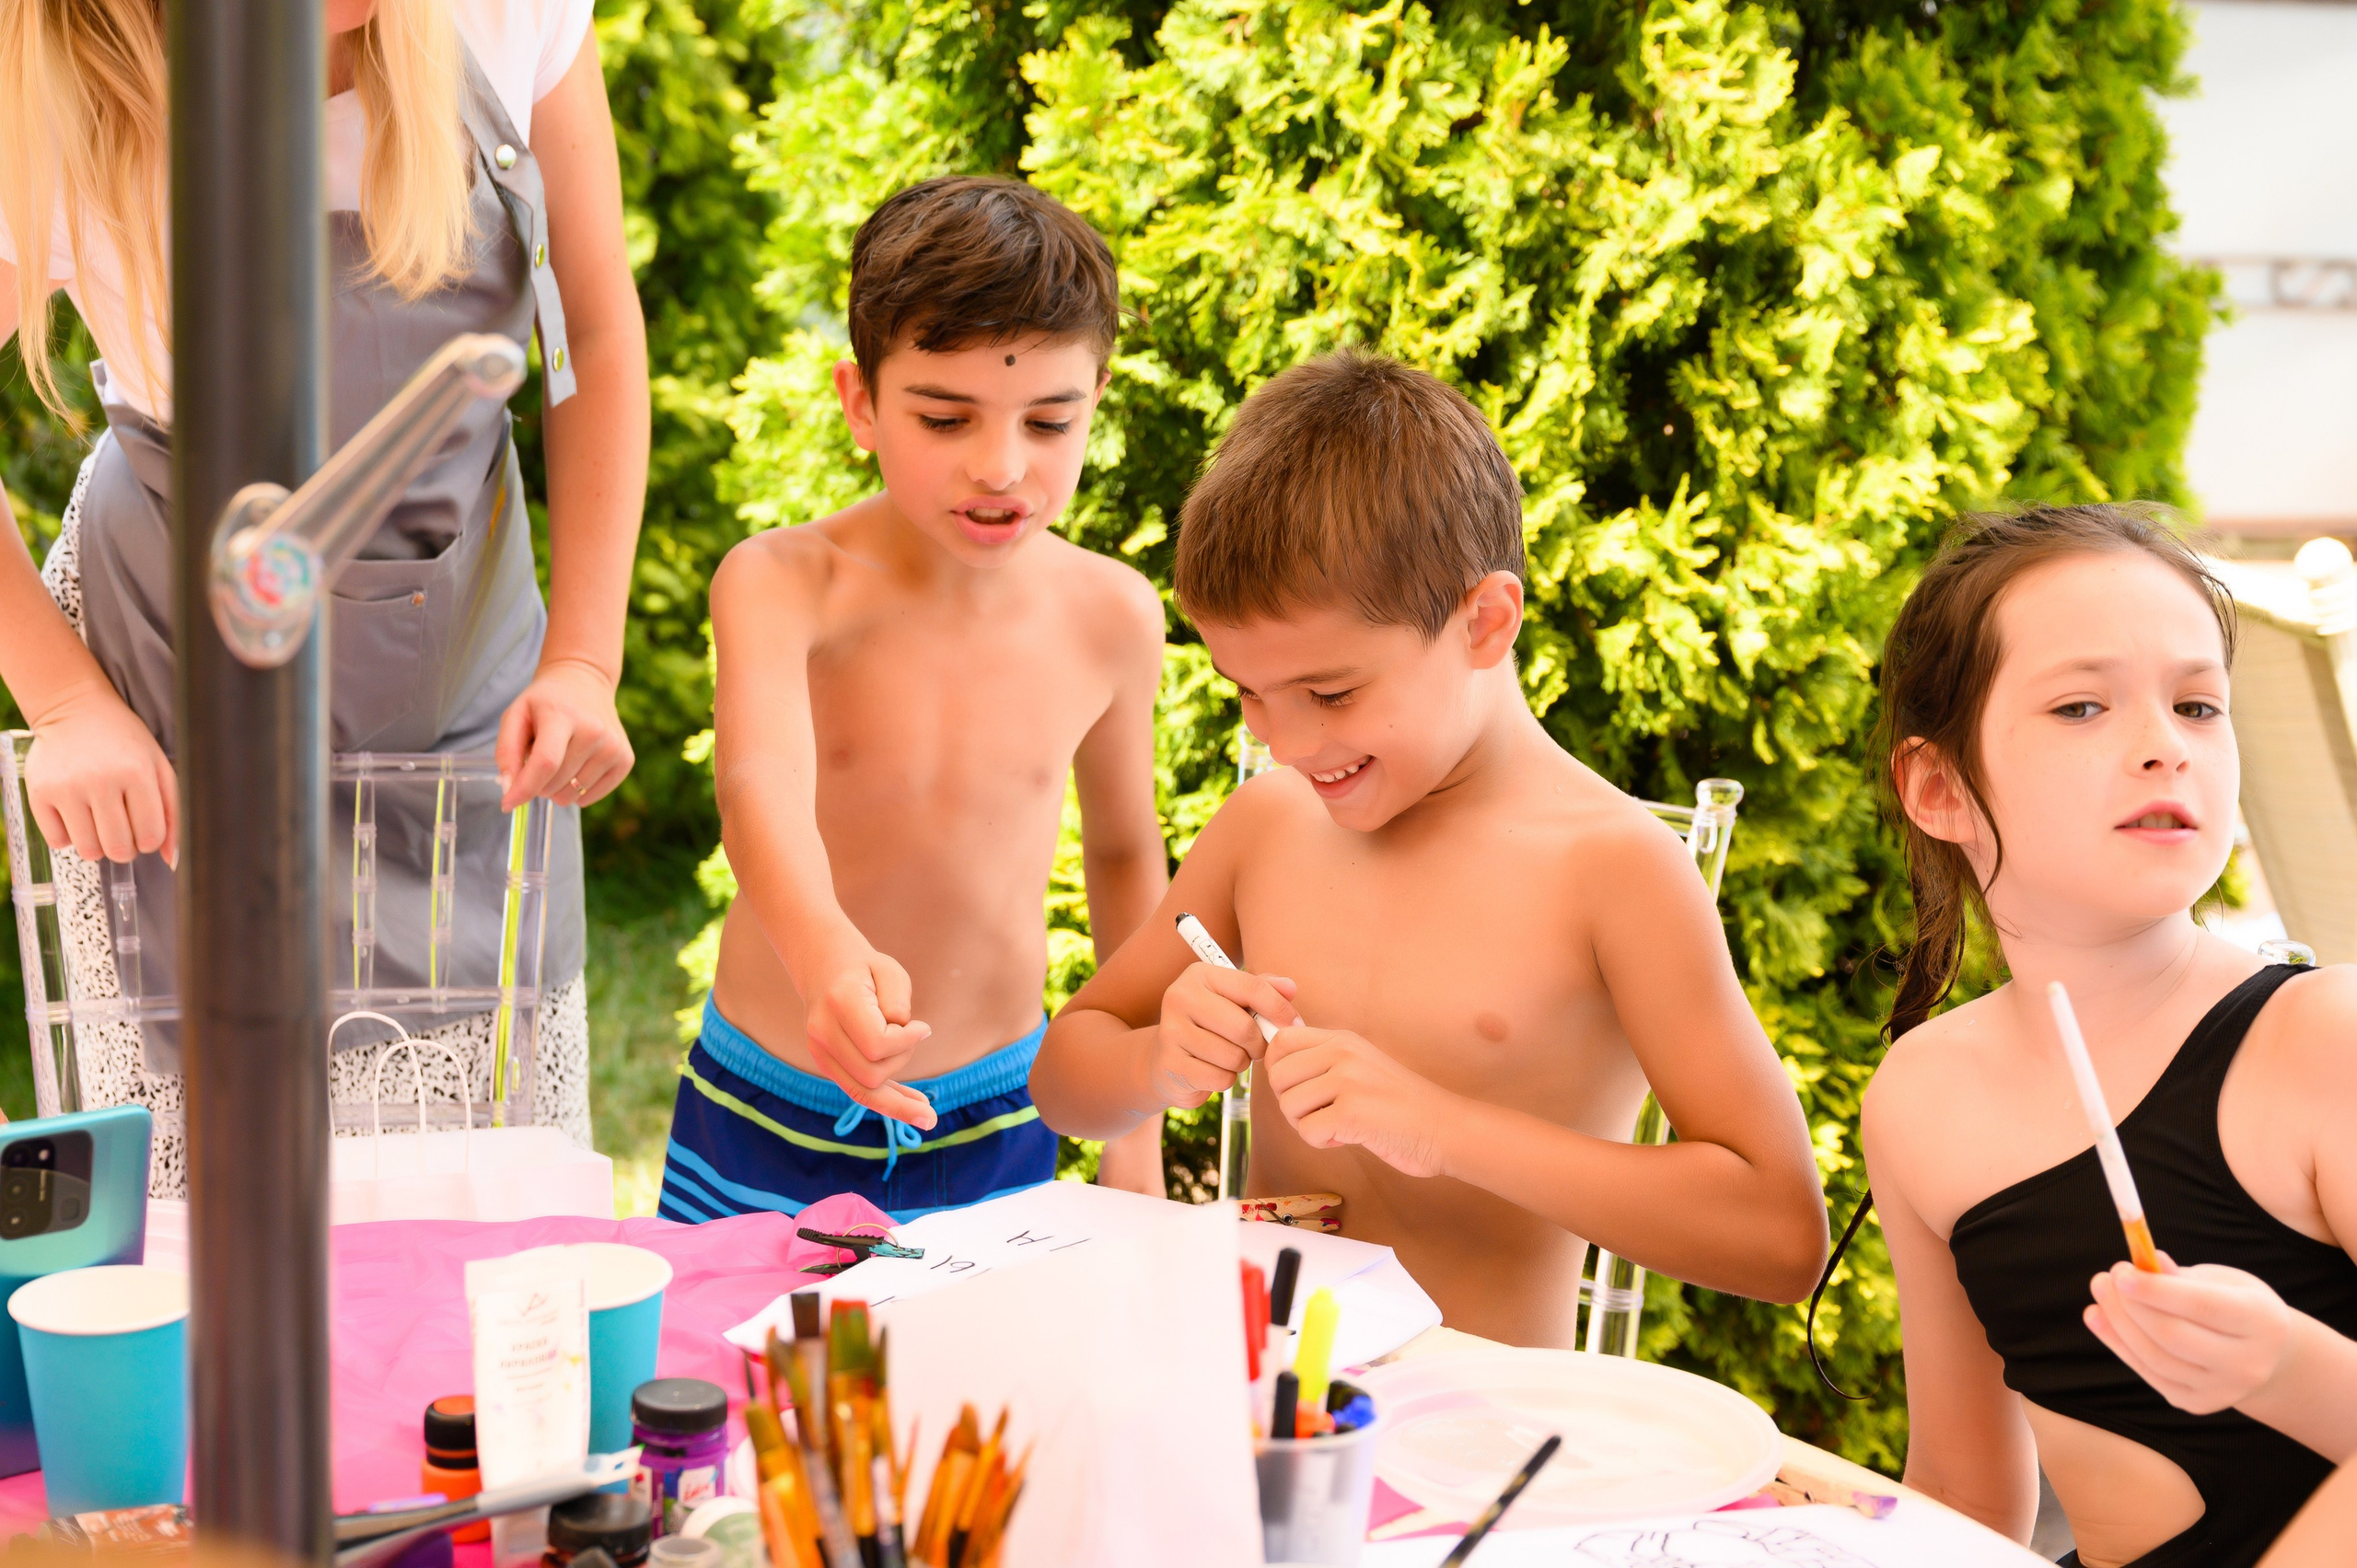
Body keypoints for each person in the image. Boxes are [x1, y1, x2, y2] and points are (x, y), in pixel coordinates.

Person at [1027, 351, 1828, 1346]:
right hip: (1257, 1409)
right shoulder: (1266, 827)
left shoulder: (1613, 869)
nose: (1286, 739)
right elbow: (1064, 1080)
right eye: (1247, 691)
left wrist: (1439, 1128)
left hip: (1484, 1443)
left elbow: (1780, 1233)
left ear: (1485, 621)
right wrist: (1156, 1061)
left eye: (1330, 693)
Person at [0, 0, 644, 1172]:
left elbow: (591, 335)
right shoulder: (48, 82)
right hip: (172, 688)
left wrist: (586, 659)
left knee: (472, 1188)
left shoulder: (503, 18)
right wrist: (65, 704)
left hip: (460, 663)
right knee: (224, 1199)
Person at [656, 177, 1169, 1225]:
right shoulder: (782, 582)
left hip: (996, 1117)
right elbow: (759, 789)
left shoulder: (1112, 616)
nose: (1000, 465)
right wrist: (825, 960)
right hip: (765, 1099)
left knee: (978, 1389)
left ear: (1095, 403)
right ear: (861, 403)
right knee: (720, 1381)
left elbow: (1124, 857)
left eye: (1048, 421)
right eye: (945, 416)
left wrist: (1134, 1132)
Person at [1857, 505, 2357, 1564]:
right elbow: (1960, 1488)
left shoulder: (2320, 1040)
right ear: (1940, 787)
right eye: (2082, 705)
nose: (2161, 747)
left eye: (2196, 704)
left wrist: (2286, 1367)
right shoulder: (1922, 1096)